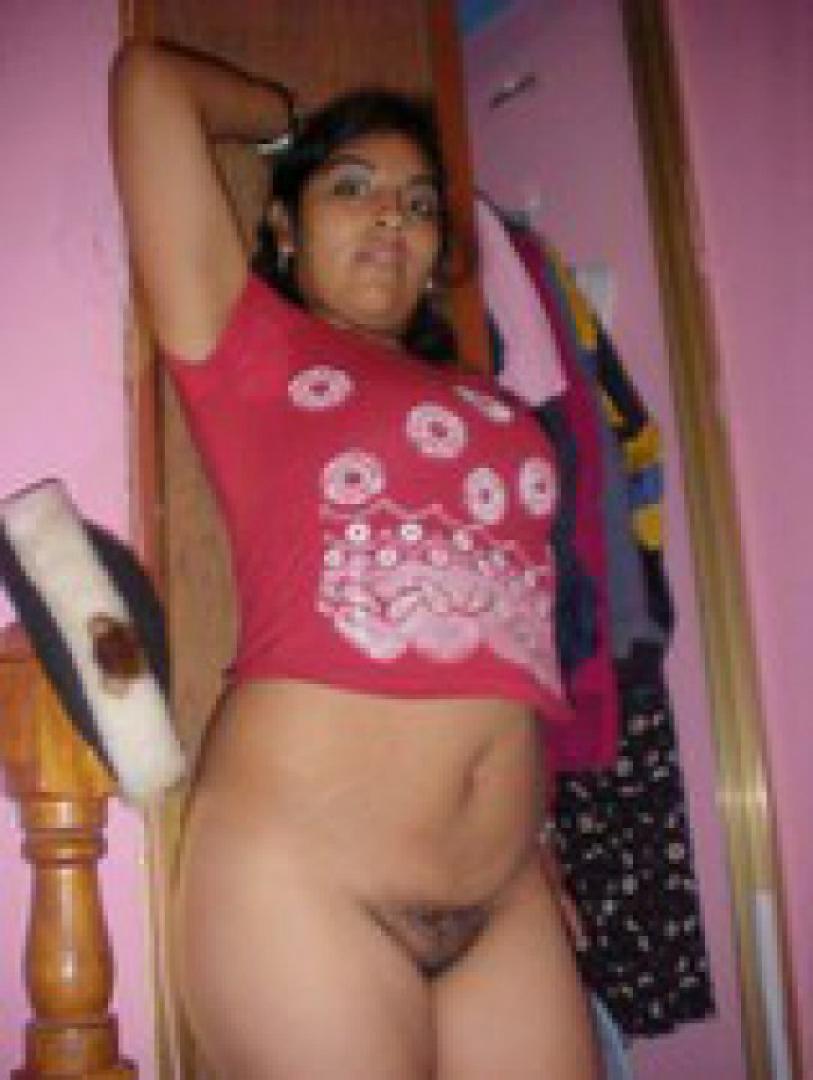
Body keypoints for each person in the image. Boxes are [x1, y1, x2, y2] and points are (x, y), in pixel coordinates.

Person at [110, 39, 601, 1079]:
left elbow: (507, 637)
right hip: (307, 877)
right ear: (283, 229)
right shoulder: (246, 344)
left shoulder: (491, 401)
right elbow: (149, 83)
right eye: (352, 188)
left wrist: (537, 839)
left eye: (419, 205)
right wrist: (285, 125)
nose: (392, 216)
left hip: (505, 892)